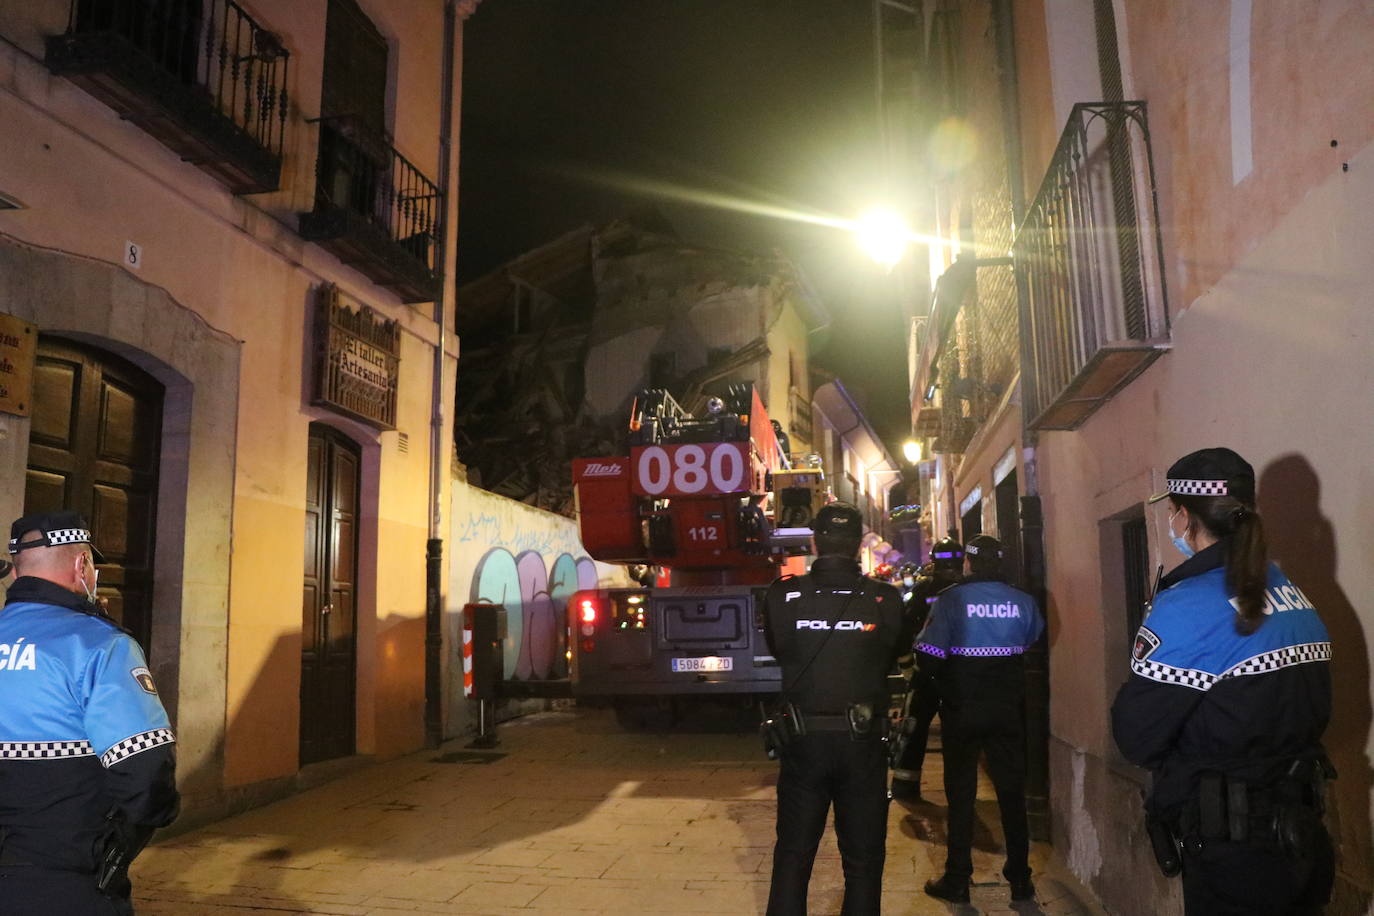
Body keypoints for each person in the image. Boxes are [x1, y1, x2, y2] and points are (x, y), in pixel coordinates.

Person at [1112, 448, 1333, 915]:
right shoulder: (1290, 590)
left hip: (1233, 853)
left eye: (1171, 512)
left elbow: (1137, 736)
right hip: (1303, 837)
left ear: (1185, 516)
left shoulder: (1187, 605)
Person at [0, 511, 180, 915]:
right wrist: (119, 849)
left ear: (15, 572)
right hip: (67, 874)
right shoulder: (99, 645)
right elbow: (147, 767)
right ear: (82, 565)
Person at [763, 502, 913, 915]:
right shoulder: (884, 599)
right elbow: (894, 653)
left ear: (814, 541)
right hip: (863, 743)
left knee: (793, 855)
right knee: (863, 861)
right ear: (859, 543)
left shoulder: (784, 596)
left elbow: (779, 650)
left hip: (802, 741)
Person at [916, 533, 1043, 904]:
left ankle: (957, 879)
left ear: (968, 562)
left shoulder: (951, 600)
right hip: (1007, 709)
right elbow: (1031, 641)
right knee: (1011, 795)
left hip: (962, 709)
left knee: (961, 796)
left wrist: (943, 682)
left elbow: (928, 654)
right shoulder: (1024, 602)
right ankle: (1021, 881)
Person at [890, 536, 965, 800]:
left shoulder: (923, 590)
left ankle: (905, 786)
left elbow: (903, 630)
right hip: (960, 674)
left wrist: (908, 669)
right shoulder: (969, 590)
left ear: (932, 561)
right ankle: (959, 791)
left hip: (926, 671)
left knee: (913, 728)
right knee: (957, 734)